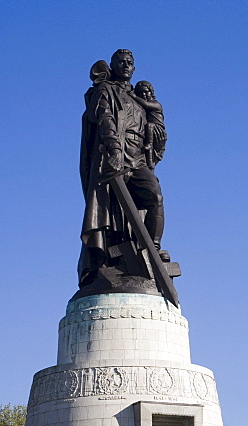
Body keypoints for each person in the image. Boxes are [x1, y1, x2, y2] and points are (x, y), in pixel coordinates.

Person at [78, 49, 170, 291]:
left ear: (134, 68)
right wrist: (113, 148)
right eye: (122, 62)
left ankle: (152, 249)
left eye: (130, 62)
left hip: (138, 158)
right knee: (111, 212)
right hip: (113, 157)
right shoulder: (105, 90)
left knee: (154, 197)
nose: (126, 65)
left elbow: (157, 129)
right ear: (113, 65)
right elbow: (104, 118)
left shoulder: (140, 97)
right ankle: (108, 261)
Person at [132, 80, 166, 165]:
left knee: (149, 126)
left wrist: (134, 97)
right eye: (140, 93)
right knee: (149, 153)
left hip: (157, 128)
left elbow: (146, 104)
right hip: (149, 131)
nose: (143, 94)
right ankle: (150, 164)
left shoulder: (156, 104)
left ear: (151, 92)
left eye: (146, 92)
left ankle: (149, 144)